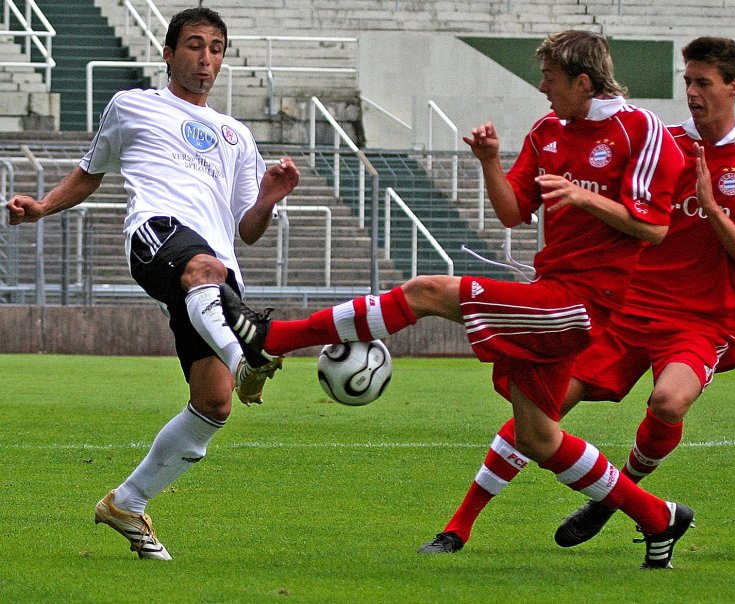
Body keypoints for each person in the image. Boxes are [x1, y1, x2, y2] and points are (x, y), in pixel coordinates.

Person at [219, 30, 695, 569]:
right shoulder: (548, 130)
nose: (542, 88)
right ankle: (658, 517)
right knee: (539, 438)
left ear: (583, 82)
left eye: (550, 78)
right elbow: (512, 212)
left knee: (426, 291)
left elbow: (654, 228)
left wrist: (584, 197)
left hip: (586, 303)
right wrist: (490, 161)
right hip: (550, 291)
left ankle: (274, 339)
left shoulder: (641, 130)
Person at [415, 36, 735, 558]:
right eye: (687, 81)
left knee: (668, 401)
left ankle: (616, 497)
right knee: (540, 411)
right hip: (625, 308)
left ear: (734, 87)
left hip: (701, 320)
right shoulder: (659, 142)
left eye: (704, 82)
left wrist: (710, 208)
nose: (692, 92)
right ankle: (459, 527)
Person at [5, 7, 300, 560]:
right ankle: (247, 360)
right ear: (168, 53)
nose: (206, 58)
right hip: (157, 235)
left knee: (214, 404)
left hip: (216, 273)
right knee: (206, 272)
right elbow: (90, 172)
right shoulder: (132, 105)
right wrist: (42, 207)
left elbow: (248, 229)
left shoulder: (237, 136)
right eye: (194, 45)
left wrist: (267, 198)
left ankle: (127, 502)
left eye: (215, 49)